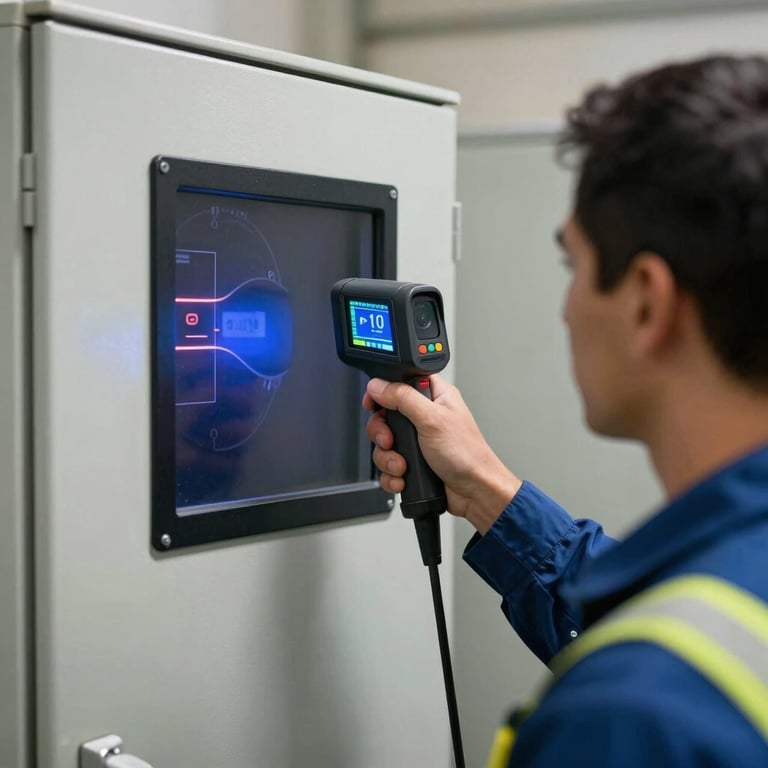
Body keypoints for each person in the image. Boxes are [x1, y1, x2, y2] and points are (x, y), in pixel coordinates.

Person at [363, 55, 768, 766]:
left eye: (573, 268)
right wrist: (488, 493)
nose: (568, 308)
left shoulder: (627, 719)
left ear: (646, 300)